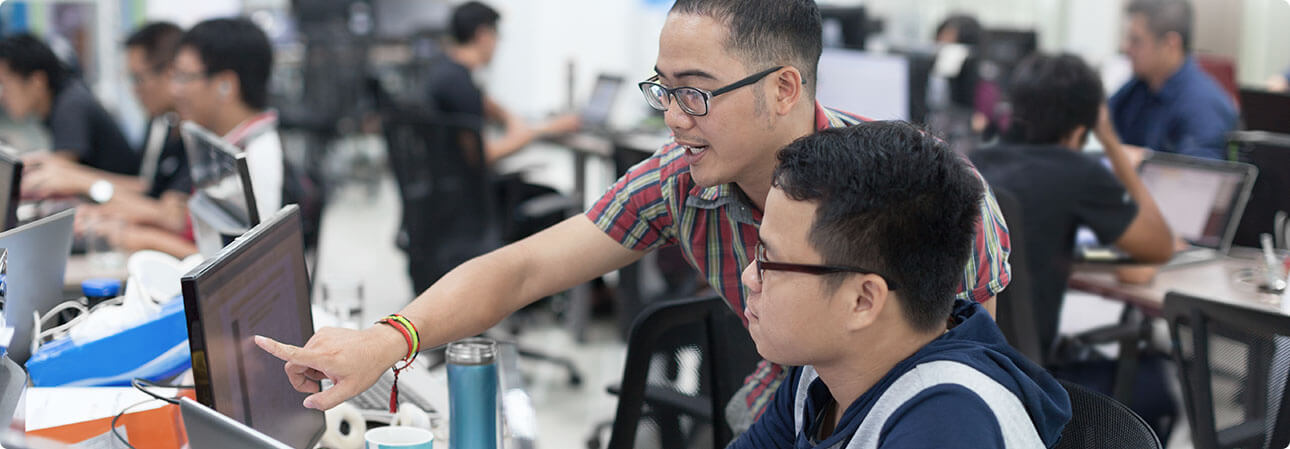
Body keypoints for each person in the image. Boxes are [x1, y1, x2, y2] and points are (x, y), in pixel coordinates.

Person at [256, 0, 1012, 430]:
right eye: (664, 89)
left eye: (695, 91)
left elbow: (975, 371)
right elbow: (525, 266)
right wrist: (391, 338)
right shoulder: (683, 182)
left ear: (784, 89)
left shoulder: (927, 200)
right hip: (787, 405)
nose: (673, 119)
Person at [729, 121, 1070, 449]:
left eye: (769, 260)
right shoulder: (822, 374)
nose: (749, 277)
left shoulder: (946, 423)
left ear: (863, 300)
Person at [971, 54, 1174, 358]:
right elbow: (1159, 246)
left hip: (973, 363)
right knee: (1156, 376)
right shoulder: (1078, 171)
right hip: (1032, 379)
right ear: (1083, 128)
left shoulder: (974, 162)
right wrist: (1111, 143)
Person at [20, 22, 196, 257]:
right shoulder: (161, 122)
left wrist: (84, 182)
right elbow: (148, 189)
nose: (135, 90)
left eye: (138, 78)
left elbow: (171, 215)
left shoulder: (71, 105)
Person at [427, 1, 579, 164]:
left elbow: (484, 102)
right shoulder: (458, 85)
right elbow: (483, 155)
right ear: (483, 36)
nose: (497, 45)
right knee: (552, 189)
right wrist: (544, 130)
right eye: (497, 36)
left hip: (444, 181)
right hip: (467, 186)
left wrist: (511, 119)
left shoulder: (446, 72)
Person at [171, 17, 282, 213]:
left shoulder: (258, 159)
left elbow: (240, 244)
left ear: (226, 85)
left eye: (185, 77)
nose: (175, 90)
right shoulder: (225, 146)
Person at [1109, 0, 1236, 160]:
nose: (1125, 48)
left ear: (1170, 44)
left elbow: (1198, 178)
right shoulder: (1138, 88)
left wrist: (1140, 161)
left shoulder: (1203, 106)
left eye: (1136, 41)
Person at [0, 34, 139, 175]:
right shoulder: (63, 98)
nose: (2, 95)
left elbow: (60, 170)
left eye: (4, 84)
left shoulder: (70, 105)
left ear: (37, 81)